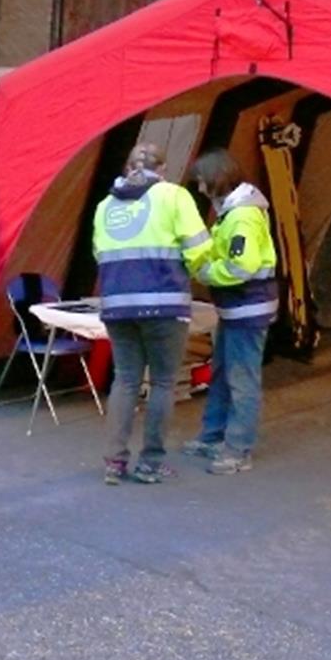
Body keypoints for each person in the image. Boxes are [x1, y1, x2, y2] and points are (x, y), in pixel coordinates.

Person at [92, 143, 212, 485]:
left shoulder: (104, 206)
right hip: (164, 303)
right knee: (162, 382)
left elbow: (99, 253)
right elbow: (199, 248)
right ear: (162, 170)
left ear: (127, 167)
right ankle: (152, 462)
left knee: (126, 379)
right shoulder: (173, 196)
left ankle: (114, 463)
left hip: (117, 304)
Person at [181, 148, 278, 475]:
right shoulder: (233, 212)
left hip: (246, 310)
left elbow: (242, 264)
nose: (199, 188)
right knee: (223, 374)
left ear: (215, 179)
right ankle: (212, 438)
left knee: (241, 380)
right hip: (236, 310)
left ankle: (237, 449)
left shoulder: (242, 216)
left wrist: (206, 273)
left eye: (201, 182)